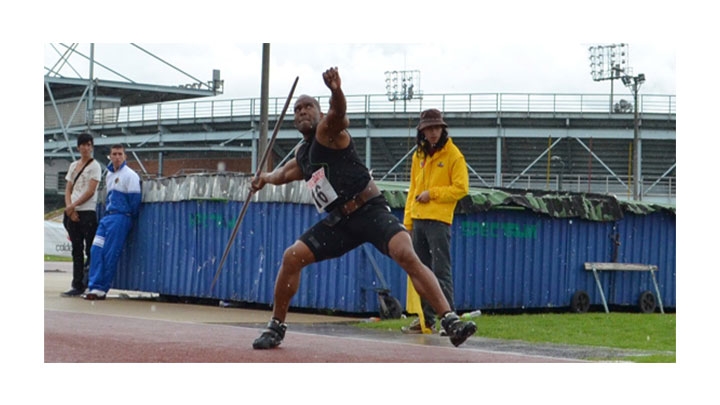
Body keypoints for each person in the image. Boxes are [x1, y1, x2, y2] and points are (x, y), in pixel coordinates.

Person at [249, 67, 477, 349]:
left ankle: (450, 319)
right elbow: (284, 174)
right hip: (340, 222)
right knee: (292, 256)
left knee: (407, 254)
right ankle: (276, 325)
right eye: (297, 109)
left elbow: (339, 115)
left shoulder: (327, 131)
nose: (301, 112)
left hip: (370, 210)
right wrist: (263, 179)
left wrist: (336, 91)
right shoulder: (303, 153)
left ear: (320, 113)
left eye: (308, 107)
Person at [401, 109, 469, 335]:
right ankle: (425, 321)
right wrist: (408, 223)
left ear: (443, 129)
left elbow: (461, 188)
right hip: (418, 220)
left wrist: (433, 194)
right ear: (422, 131)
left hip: (439, 221)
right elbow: (412, 191)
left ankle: (448, 319)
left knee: (441, 271)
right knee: (421, 271)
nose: (433, 132)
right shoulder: (418, 156)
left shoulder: (454, 155)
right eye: (429, 128)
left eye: (436, 128)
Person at [83, 144, 142, 300]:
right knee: (96, 250)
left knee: (110, 253)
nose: (117, 157)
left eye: (120, 154)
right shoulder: (108, 175)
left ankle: (101, 289)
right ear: (110, 156)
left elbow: (135, 201)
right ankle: (93, 285)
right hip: (107, 217)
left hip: (121, 217)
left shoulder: (130, 176)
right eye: (114, 154)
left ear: (125, 156)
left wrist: (127, 217)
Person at [61, 133, 103, 297]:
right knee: (76, 249)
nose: (85, 148)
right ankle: (76, 284)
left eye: (88, 144)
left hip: (87, 211)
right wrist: (69, 208)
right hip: (72, 212)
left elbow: (90, 191)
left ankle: (90, 282)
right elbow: (68, 188)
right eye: (82, 145)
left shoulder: (95, 166)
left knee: (90, 249)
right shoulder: (73, 166)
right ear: (78, 147)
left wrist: (73, 205)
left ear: (91, 147)